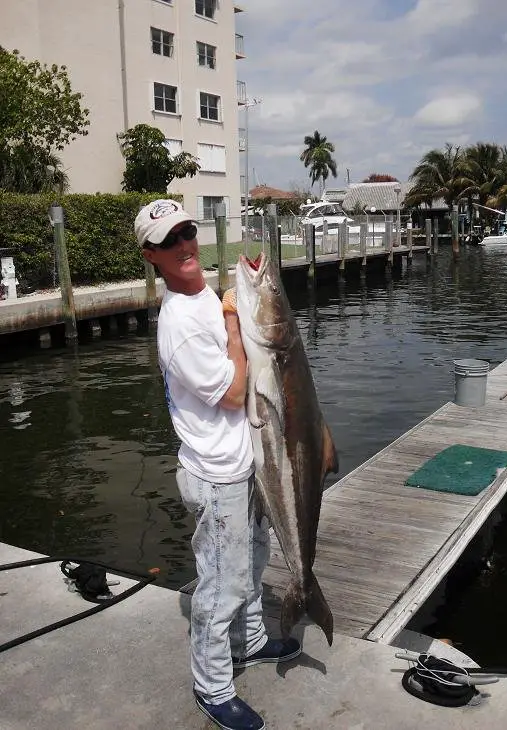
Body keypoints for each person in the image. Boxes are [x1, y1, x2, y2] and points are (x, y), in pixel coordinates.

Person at [135, 200, 301, 730]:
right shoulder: (180, 324)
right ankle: (211, 685)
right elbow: (233, 393)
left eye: (187, 232)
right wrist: (235, 323)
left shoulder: (202, 291)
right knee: (220, 583)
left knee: (253, 561)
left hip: (248, 461)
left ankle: (249, 641)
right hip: (217, 472)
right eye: (169, 241)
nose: (185, 245)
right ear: (151, 255)